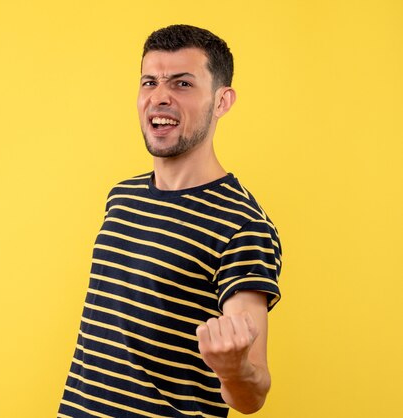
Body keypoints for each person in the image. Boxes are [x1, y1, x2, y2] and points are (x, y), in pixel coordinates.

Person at [58, 24, 282, 418]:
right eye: (149, 82)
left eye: (181, 84)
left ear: (222, 101)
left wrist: (234, 371)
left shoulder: (243, 225)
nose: (159, 97)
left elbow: (254, 393)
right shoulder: (122, 197)